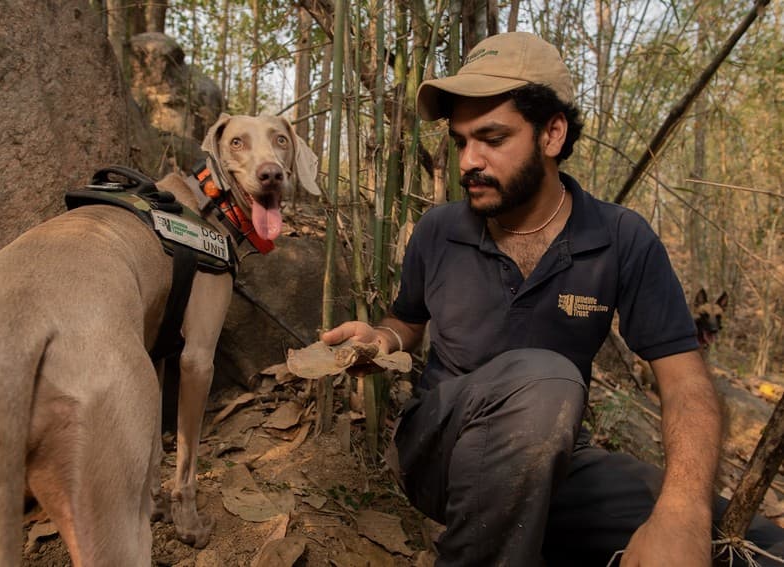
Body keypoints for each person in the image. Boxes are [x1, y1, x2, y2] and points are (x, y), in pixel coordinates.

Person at [322, 32, 784, 566]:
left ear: (552, 134)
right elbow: (406, 322)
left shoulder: (620, 239)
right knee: (547, 376)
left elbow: (685, 380)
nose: (468, 160)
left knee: (751, 548)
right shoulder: (438, 230)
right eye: (460, 141)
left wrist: (681, 511)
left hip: (554, 458)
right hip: (439, 447)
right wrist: (378, 340)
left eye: (492, 138)